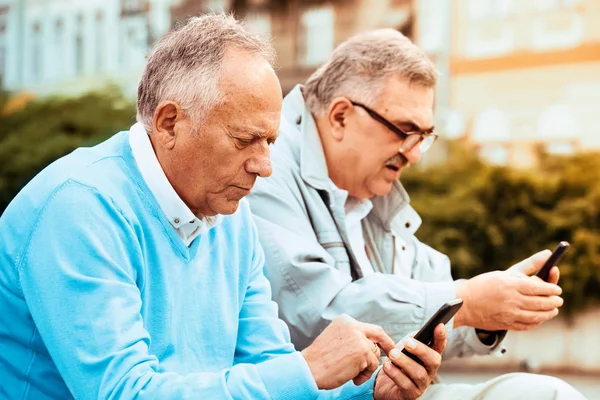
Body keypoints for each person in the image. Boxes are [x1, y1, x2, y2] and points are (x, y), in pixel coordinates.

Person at [0, 15, 446, 400]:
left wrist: (370, 390)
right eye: (245, 140)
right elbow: (124, 392)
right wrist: (307, 368)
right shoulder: (79, 208)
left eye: (270, 141)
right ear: (169, 123)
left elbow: (272, 373)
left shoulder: (230, 218)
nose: (265, 166)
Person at [247, 29, 586, 399]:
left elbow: (421, 312)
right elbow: (316, 310)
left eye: (424, 136)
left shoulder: (369, 190)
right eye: (404, 132)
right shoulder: (265, 171)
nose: (415, 153)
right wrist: (469, 301)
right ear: (341, 116)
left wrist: (489, 315)